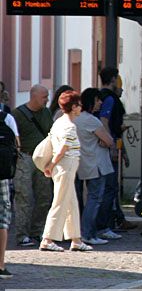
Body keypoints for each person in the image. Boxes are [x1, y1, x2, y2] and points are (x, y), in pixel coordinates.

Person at [40, 90, 92, 252]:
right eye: (79, 105)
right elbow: (63, 149)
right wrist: (52, 164)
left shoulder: (59, 122)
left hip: (65, 166)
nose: (81, 108)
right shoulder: (69, 126)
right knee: (60, 202)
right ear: (74, 107)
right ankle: (47, 239)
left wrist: (52, 165)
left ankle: (76, 239)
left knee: (70, 203)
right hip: (65, 165)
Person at [73, 88, 116, 245]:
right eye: (97, 100)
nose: (100, 103)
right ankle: (88, 234)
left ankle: (85, 233)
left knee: (86, 198)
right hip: (96, 164)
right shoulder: (91, 120)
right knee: (94, 199)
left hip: (82, 163)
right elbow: (109, 141)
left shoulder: (76, 118)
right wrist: (104, 141)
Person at [12, 84, 53, 247]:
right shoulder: (17, 114)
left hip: (43, 159)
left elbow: (51, 133)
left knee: (44, 197)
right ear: (34, 96)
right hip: (25, 157)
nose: (47, 100)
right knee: (24, 197)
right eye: (44, 97)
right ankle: (22, 234)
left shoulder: (46, 113)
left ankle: (37, 231)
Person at [97, 67, 135, 231]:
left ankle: (113, 219)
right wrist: (111, 144)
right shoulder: (110, 99)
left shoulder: (100, 96)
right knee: (109, 187)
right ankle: (105, 225)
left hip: (107, 143)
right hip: (107, 145)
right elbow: (104, 120)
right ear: (113, 79)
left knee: (109, 186)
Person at [0, 102, 20, 277]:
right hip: (2, 176)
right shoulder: (6, 118)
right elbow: (17, 146)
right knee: (2, 221)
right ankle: (0, 265)